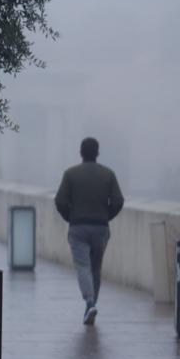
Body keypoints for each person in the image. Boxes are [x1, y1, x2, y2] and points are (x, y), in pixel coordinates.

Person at [55, 136, 125, 326]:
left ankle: (89, 302)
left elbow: (60, 201)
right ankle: (91, 304)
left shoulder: (70, 174)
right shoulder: (108, 174)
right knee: (95, 267)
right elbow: (118, 201)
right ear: (97, 153)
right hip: (101, 228)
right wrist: (106, 216)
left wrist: (71, 217)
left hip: (78, 227)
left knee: (82, 266)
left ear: (81, 153)